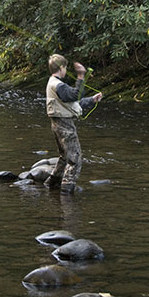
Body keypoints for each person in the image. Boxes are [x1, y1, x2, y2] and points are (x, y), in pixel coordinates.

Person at [44, 54, 102, 194]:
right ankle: (66, 191)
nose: (66, 70)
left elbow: (72, 103)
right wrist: (81, 76)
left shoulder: (53, 83)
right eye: (65, 67)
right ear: (62, 68)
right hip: (64, 124)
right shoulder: (58, 85)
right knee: (75, 158)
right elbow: (75, 95)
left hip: (58, 124)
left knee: (64, 156)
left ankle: (52, 184)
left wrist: (92, 100)